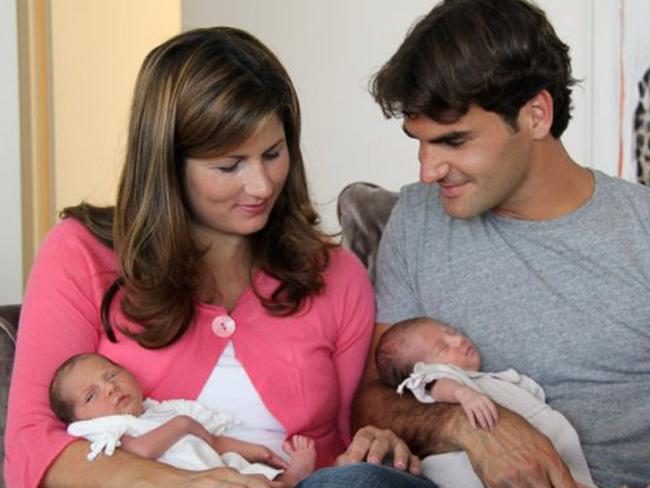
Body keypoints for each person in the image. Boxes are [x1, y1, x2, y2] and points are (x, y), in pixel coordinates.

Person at [5, 26, 423, 488]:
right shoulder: (80, 253)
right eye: (229, 166)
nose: (262, 185)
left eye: (272, 153)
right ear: (167, 165)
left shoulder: (335, 275)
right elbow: (31, 446)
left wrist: (378, 440)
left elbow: (348, 437)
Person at [335, 0, 650, 487]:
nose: (426, 170)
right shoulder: (418, 217)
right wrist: (472, 427)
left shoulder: (640, 230)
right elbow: (372, 400)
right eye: (419, 141)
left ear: (536, 115)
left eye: (453, 141)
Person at [375, 317, 596, 488]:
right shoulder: (441, 377)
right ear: (420, 368)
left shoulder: (488, 379)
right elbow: (436, 384)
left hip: (541, 442)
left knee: (559, 473)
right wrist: (463, 395)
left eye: (452, 332)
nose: (458, 340)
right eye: (442, 347)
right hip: (490, 464)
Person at [49, 353, 315, 487]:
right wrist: (182, 425)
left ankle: (291, 477)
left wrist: (257, 451)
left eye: (112, 376)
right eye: (90, 396)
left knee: (249, 474)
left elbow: (212, 440)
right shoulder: (107, 429)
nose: (109, 388)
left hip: (216, 466)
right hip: (183, 479)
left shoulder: (162, 410)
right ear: (78, 419)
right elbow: (139, 451)